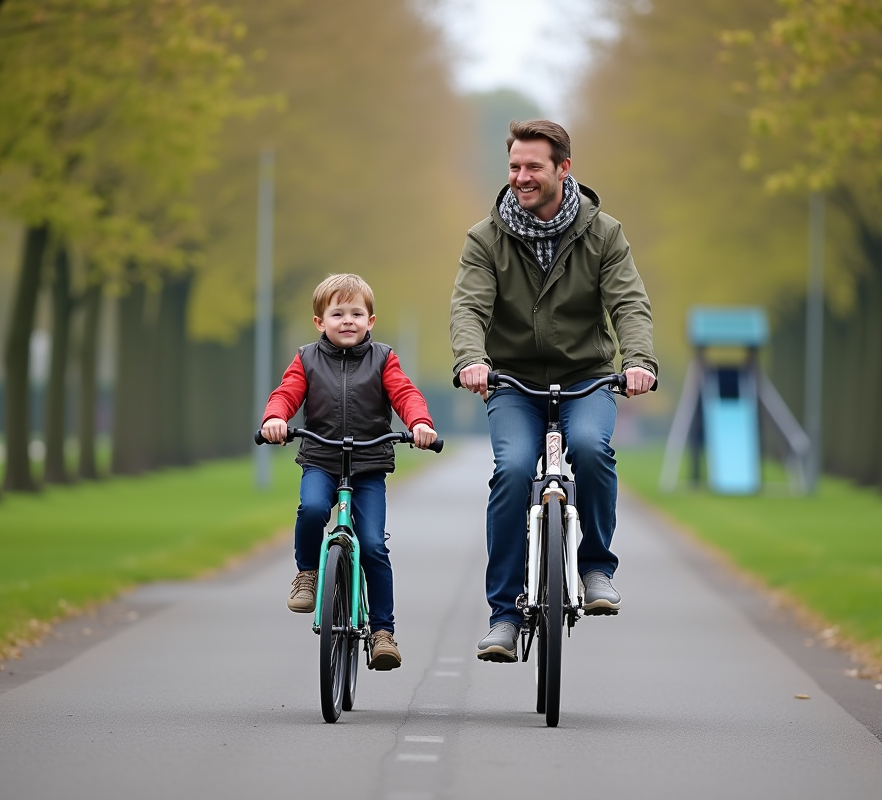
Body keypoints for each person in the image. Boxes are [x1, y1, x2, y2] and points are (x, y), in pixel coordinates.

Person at [450, 119, 658, 662]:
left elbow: (629, 304)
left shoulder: (604, 234)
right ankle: (503, 613)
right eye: (514, 167)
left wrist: (637, 361)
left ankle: (594, 567)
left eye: (533, 167)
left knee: (591, 449)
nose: (521, 176)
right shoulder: (485, 238)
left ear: (564, 169)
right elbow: (469, 307)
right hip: (514, 381)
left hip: (586, 377)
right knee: (513, 470)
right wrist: (471, 359)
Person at [261, 273, 438, 670]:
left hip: (369, 463)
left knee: (373, 544)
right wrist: (275, 418)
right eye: (337, 313)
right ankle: (307, 573)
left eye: (356, 313)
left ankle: (382, 633)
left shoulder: (383, 358)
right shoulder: (306, 358)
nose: (347, 321)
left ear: (370, 321)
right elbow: (287, 393)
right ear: (319, 322)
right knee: (311, 509)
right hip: (321, 459)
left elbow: (404, 393)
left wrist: (420, 423)